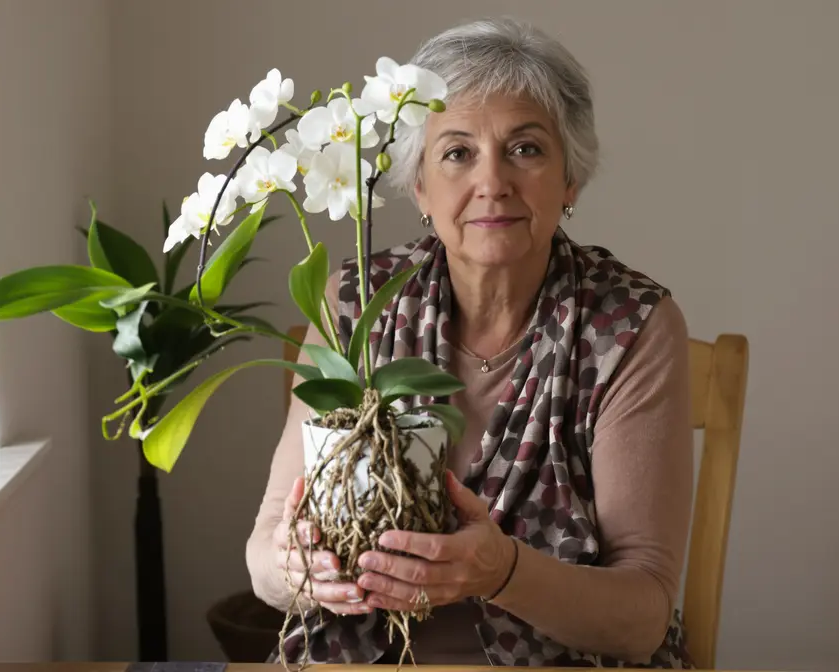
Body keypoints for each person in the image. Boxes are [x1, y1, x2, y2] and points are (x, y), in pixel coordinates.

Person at [245, 16, 694, 668]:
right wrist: (299, 571)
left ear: (570, 179)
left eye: (526, 149)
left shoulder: (627, 325)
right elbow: (265, 556)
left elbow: (642, 618)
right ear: (419, 186)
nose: (493, 182)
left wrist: (501, 572)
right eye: (457, 153)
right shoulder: (355, 304)